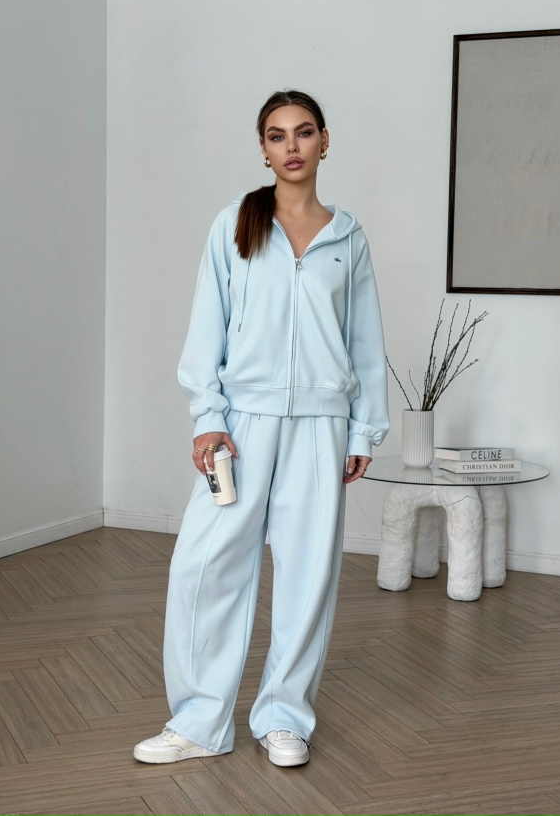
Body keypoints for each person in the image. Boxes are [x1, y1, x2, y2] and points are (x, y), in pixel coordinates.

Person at [134, 90, 389, 768]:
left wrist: (363, 430)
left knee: (308, 576)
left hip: (321, 425)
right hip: (242, 425)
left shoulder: (348, 237)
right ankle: (200, 723)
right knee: (205, 565)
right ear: (264, 148)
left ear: (324, 141)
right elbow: (206, 327)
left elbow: (365, 342)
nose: (292, 146)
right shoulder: (236, 224)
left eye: (303, 133)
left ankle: (284, 718)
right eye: (277, 136)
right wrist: (208, 419)